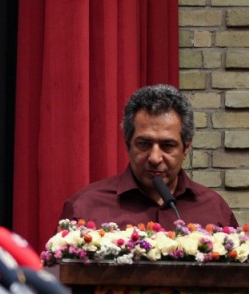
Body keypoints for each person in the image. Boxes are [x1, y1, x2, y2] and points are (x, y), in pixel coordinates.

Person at [59, 84, 238, 229]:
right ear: (127, 143)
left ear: (186, 147)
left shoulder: (214, 209)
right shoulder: (85, 207)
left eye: (167, 146)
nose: (154, 158)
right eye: (144, 144)